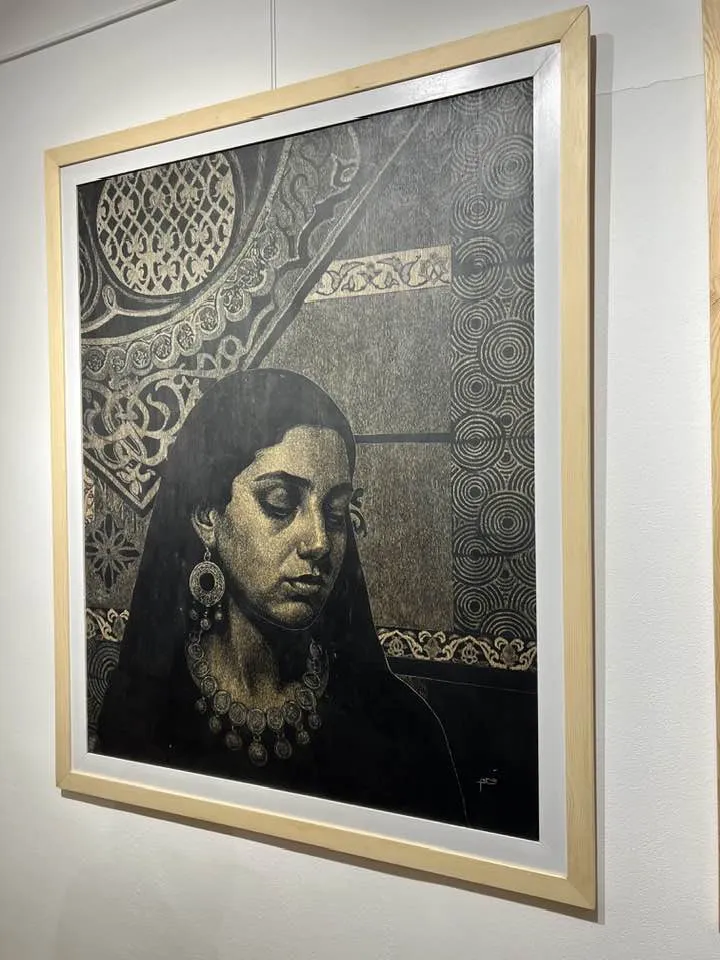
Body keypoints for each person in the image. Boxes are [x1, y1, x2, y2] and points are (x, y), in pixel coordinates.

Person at [97, 368, 466, 826]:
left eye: (335, 513)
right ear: (208, 517)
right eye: (280, 502)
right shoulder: (142, 710)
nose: (319, 542)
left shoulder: (403, 730)